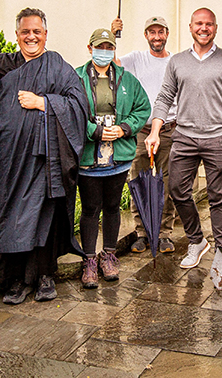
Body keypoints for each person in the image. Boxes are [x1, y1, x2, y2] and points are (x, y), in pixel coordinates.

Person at [0, 8, 88, 305]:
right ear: (17, 35)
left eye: (37, 32)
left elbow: (79, 105)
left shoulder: (57, 66)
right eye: (25, 32)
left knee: (43, 217)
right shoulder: (1, 64)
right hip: (8, 158)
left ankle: (44, 276)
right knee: (9, 215)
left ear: (45, 34)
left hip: (45, 159)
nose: (31, 37)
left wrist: (44, 103)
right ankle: (15, 279)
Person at [145, 8, 222, 270]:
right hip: (184, 136)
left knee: (219, 196)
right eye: (199, 24)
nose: (203, 28)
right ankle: (197, 240)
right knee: (177, 189)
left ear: (215, 28)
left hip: (218, 137)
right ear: (190, 27)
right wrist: (154, 130)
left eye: (209, 24)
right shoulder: (177, 62)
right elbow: (164, 97)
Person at [75, 28, 150, 288]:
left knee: (112, 206)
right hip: (88, 158)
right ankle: (89, 260)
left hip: (118, 156)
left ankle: (109, 255)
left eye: (108, 48)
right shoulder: (76, 78)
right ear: (89, 48)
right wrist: (93, 130)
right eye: (99, 47)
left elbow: (143, 107)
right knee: (90, 208)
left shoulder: (127, 80)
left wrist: (124, 128)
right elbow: (70, 111)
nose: (104, 52)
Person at [111, 16, 178, 255]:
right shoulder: (136, 58)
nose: (157, 37)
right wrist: (113, 34)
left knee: (167, 184)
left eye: (161, 32)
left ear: (167, 34)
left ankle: (164, 234)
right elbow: (113, 64)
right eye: (152, 32)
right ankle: (141, 233)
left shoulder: (175, 61)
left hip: (170, 131)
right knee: (137, 180)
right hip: (141, 132)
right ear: (146, 35)